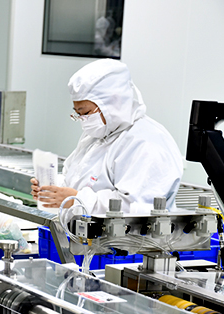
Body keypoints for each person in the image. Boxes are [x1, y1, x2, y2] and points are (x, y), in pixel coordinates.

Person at [31, 59, 183, 214]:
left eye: (86, 113)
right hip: (83, 229)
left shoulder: (146, 142)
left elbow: (136, 208)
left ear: (113, 102)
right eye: (78, 114)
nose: (83, 120)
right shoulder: (99, 134)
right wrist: (53, 190)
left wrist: (76, 200)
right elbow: (75, 177)